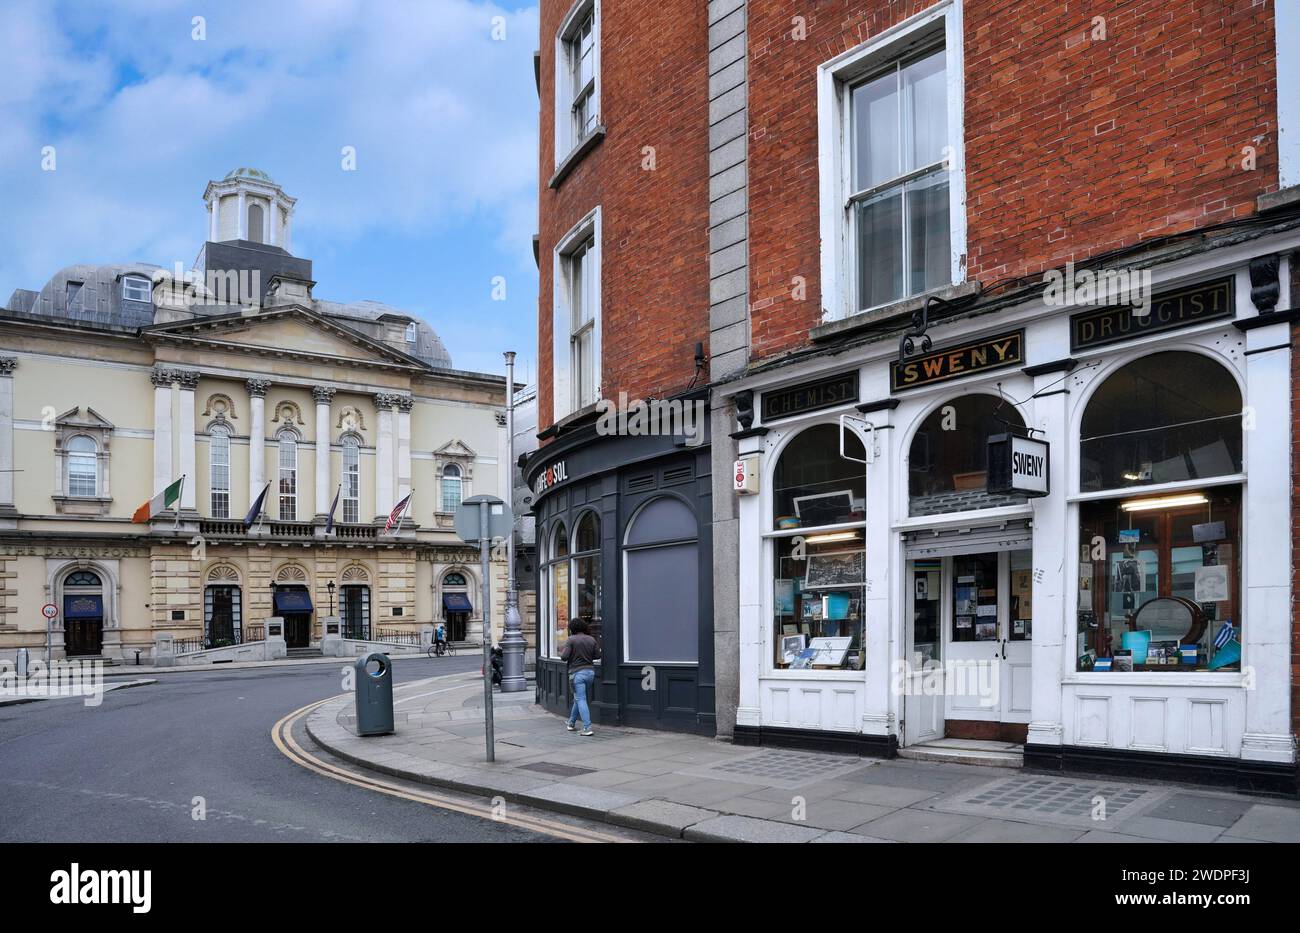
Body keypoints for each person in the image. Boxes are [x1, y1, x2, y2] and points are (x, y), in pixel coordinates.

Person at [560, 617, 600, 736]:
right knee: (579, 698)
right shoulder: (591, 639)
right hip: (590, 673)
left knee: (580, 699)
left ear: (572, 628)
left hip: (577, 673)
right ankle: (571, 723)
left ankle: (587, 728)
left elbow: (564, 657)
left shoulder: (571, 640)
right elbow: (597, 655)